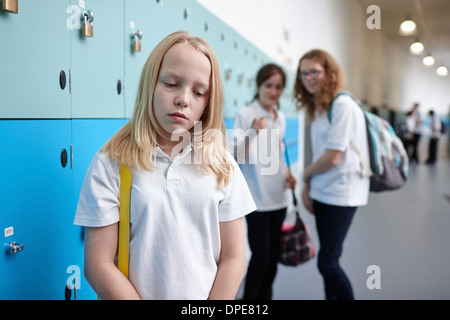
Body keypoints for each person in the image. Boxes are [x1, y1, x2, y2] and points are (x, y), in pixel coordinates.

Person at [74, 31, 256, 300]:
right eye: (171, 83)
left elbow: (233, 258)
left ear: (208, 102)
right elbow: (98, 265)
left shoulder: (222, 165)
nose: (184, 99)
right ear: (151, 83)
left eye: (198, 92)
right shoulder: (111, 163)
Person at [293, 49, 370, 300]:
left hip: (342, 192)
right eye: (303, 73)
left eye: (314, 71)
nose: (308, 78)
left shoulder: (343, 105)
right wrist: (309, 187)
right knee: (328, 261)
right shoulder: (319, 107)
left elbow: (332, 157)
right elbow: (321, 156)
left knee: (327, 262)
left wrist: (305, 176)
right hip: (323, 190)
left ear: (329, 72)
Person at [232, 63, 296, 300]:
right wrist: (253, 131)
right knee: (261, 258)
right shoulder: (246, 114)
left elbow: (278, 154)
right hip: (256, 199)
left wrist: (289, 175)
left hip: (279, 196)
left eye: (279, 87)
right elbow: (237, 157)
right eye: (269, 85)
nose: (273, 91)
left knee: (273, 260)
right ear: (258, 86)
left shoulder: (280, 117)